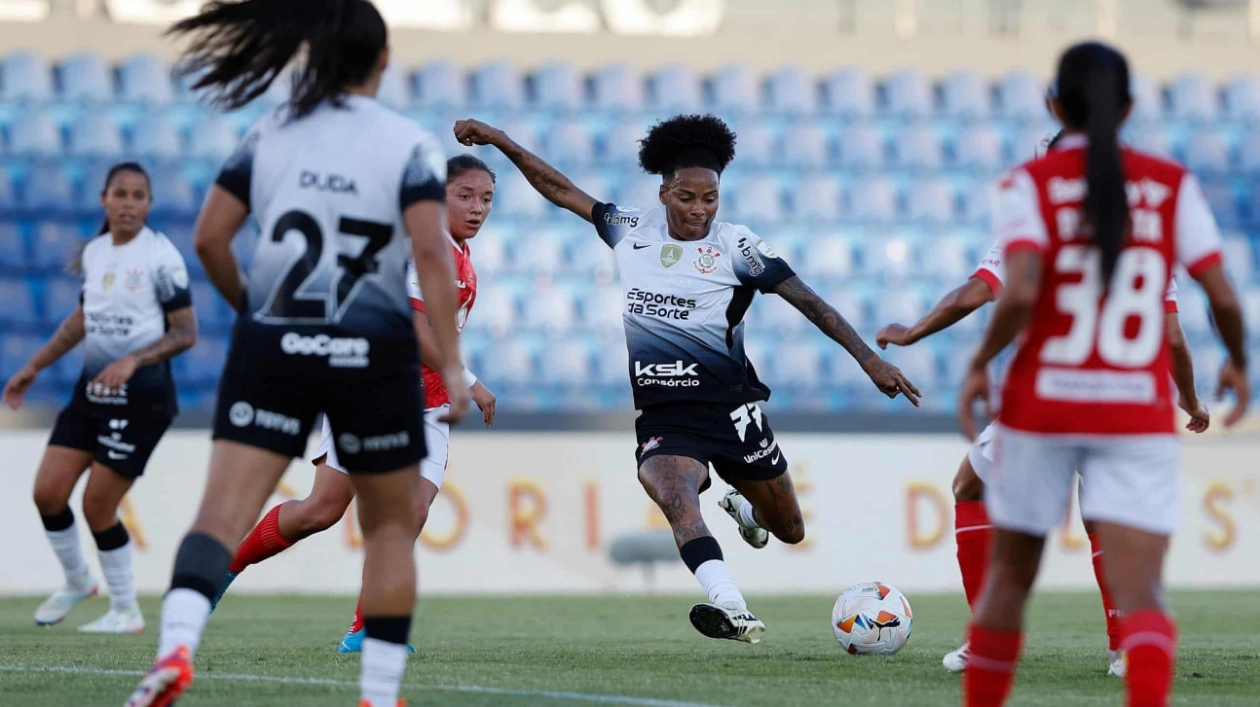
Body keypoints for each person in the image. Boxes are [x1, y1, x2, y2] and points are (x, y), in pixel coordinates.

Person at [454, 114, 920, 644]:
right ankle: (732, 606)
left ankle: (742, 507)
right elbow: (559, 188)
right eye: (686, 197)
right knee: (675, 498)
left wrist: (868, 360)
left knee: (789, 530)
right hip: (666, 417)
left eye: (710, 199)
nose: (699, 210)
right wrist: (501, 139)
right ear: (663, 192)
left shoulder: (737, 246)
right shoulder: (630, 231)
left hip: (731, 410)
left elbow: (810, 302)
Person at [125, 2, 468, 707]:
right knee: (391, 528)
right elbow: (432, 252)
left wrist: (255, 311)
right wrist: (456, 367)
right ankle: (378, 694)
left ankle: (177, 650)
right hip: (371, 352)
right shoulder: (407, 143)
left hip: (274, 341)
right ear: (382, 59)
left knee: (220, 515)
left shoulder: (271, 130)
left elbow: (211, 240)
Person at [956, 42, 1249, 707]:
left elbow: (1020, 291)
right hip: (1134, 410)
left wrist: (977, 365)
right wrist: (1234, 361)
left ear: (1054, 106)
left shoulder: (1029, 185)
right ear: (1130, 110)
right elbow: (1222, 298)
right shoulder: (1170, 187)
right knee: (1143, 588)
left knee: (1010, 581)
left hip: (1044, 405)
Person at [878, 235, 1208, 678]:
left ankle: (988, 639)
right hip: (1121, 398)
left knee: (970, 486)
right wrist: (1188, 397)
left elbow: (976, 293)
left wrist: (913, 331)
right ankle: (1124, 649)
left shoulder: (1036, 218)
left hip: (1050, 392)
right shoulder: (1151, 235)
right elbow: (1172, 337)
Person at [208, 155, 500, 654]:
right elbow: (413, 328)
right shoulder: (420, 248)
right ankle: (223, 566)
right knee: (320, 510)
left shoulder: (460, 252)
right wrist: (468, 380)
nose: (477, 208)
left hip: (426, 404)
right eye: (465, 195)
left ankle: (364, 631)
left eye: (487, 199)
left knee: (412, 511)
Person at [3, 162, 197, 635]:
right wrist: (34, 366)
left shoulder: (162, 257)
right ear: (104, 199)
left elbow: (186, 333)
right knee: (47, 493)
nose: (129, 203)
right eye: (121, 194)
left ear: (149, 204)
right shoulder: (95, 252)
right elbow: (81, 320)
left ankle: (126, 610)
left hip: (143, 399)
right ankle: (77, 579)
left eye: (138, 196)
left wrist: (134, 360)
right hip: (93, 392)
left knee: (97, 506)